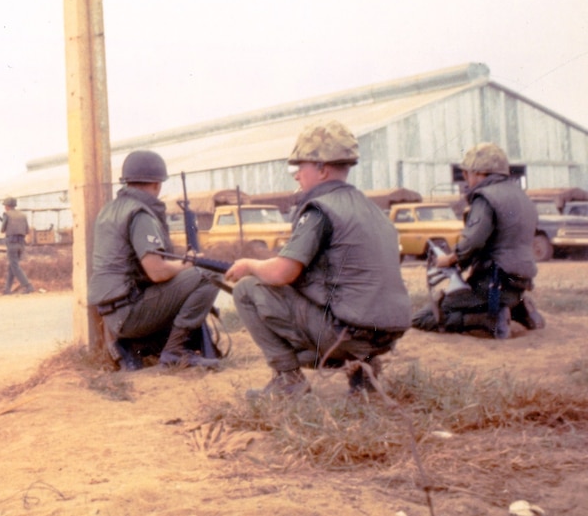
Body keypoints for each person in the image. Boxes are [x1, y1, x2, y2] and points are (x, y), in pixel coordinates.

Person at [223, 120, 411, 397]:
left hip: (346, 334)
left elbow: (282, 273)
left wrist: (249, 265)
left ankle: (288, 380)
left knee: (246, 290)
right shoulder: (370, 209)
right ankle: (365, 376)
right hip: (385, 334)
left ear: (322, 169)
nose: (297, 176)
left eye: (300, 167)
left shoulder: (320, 209)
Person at [88, 150, 222, 371]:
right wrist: (188, 264)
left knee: (191, 282)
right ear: (157, 184)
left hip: (114, 316)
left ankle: (142, 347)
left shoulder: (109, 210)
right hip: (130, 314)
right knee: (209, 274)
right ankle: (175, 351)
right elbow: (157, 271)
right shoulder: (140, 214)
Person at [412, 143, 544, 338]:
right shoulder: (523, 198)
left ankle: (487, 320)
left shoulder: (486, 197)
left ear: (480, 173)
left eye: (467, 174)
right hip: (518, 284)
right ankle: (518, 308)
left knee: (422, 318)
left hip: (491, 284)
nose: (466, 180)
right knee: (482, 298)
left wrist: (448, 260)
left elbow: (472, 242)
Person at [0, 197, 35, 295]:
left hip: (12, 243)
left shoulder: (6, 214)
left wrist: (6, 224)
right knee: (12, 266)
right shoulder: (23, 215)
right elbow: (27, 230)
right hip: (21, 244)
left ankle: (28, 286)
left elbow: (2, 230)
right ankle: (7, 289)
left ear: (7, 206)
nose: (4, 207)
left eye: (5, 205)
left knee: (14, 266)